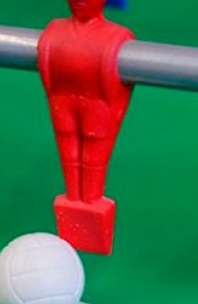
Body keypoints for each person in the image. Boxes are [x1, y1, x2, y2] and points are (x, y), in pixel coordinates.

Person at [37, 0, 134, 253]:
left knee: (93, 154)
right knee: (67, 148)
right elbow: (48, 70)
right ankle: (75, 201)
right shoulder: (55, 30)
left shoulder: (115, 36)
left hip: (96, 105)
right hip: (63, 100)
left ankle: (89, 202)